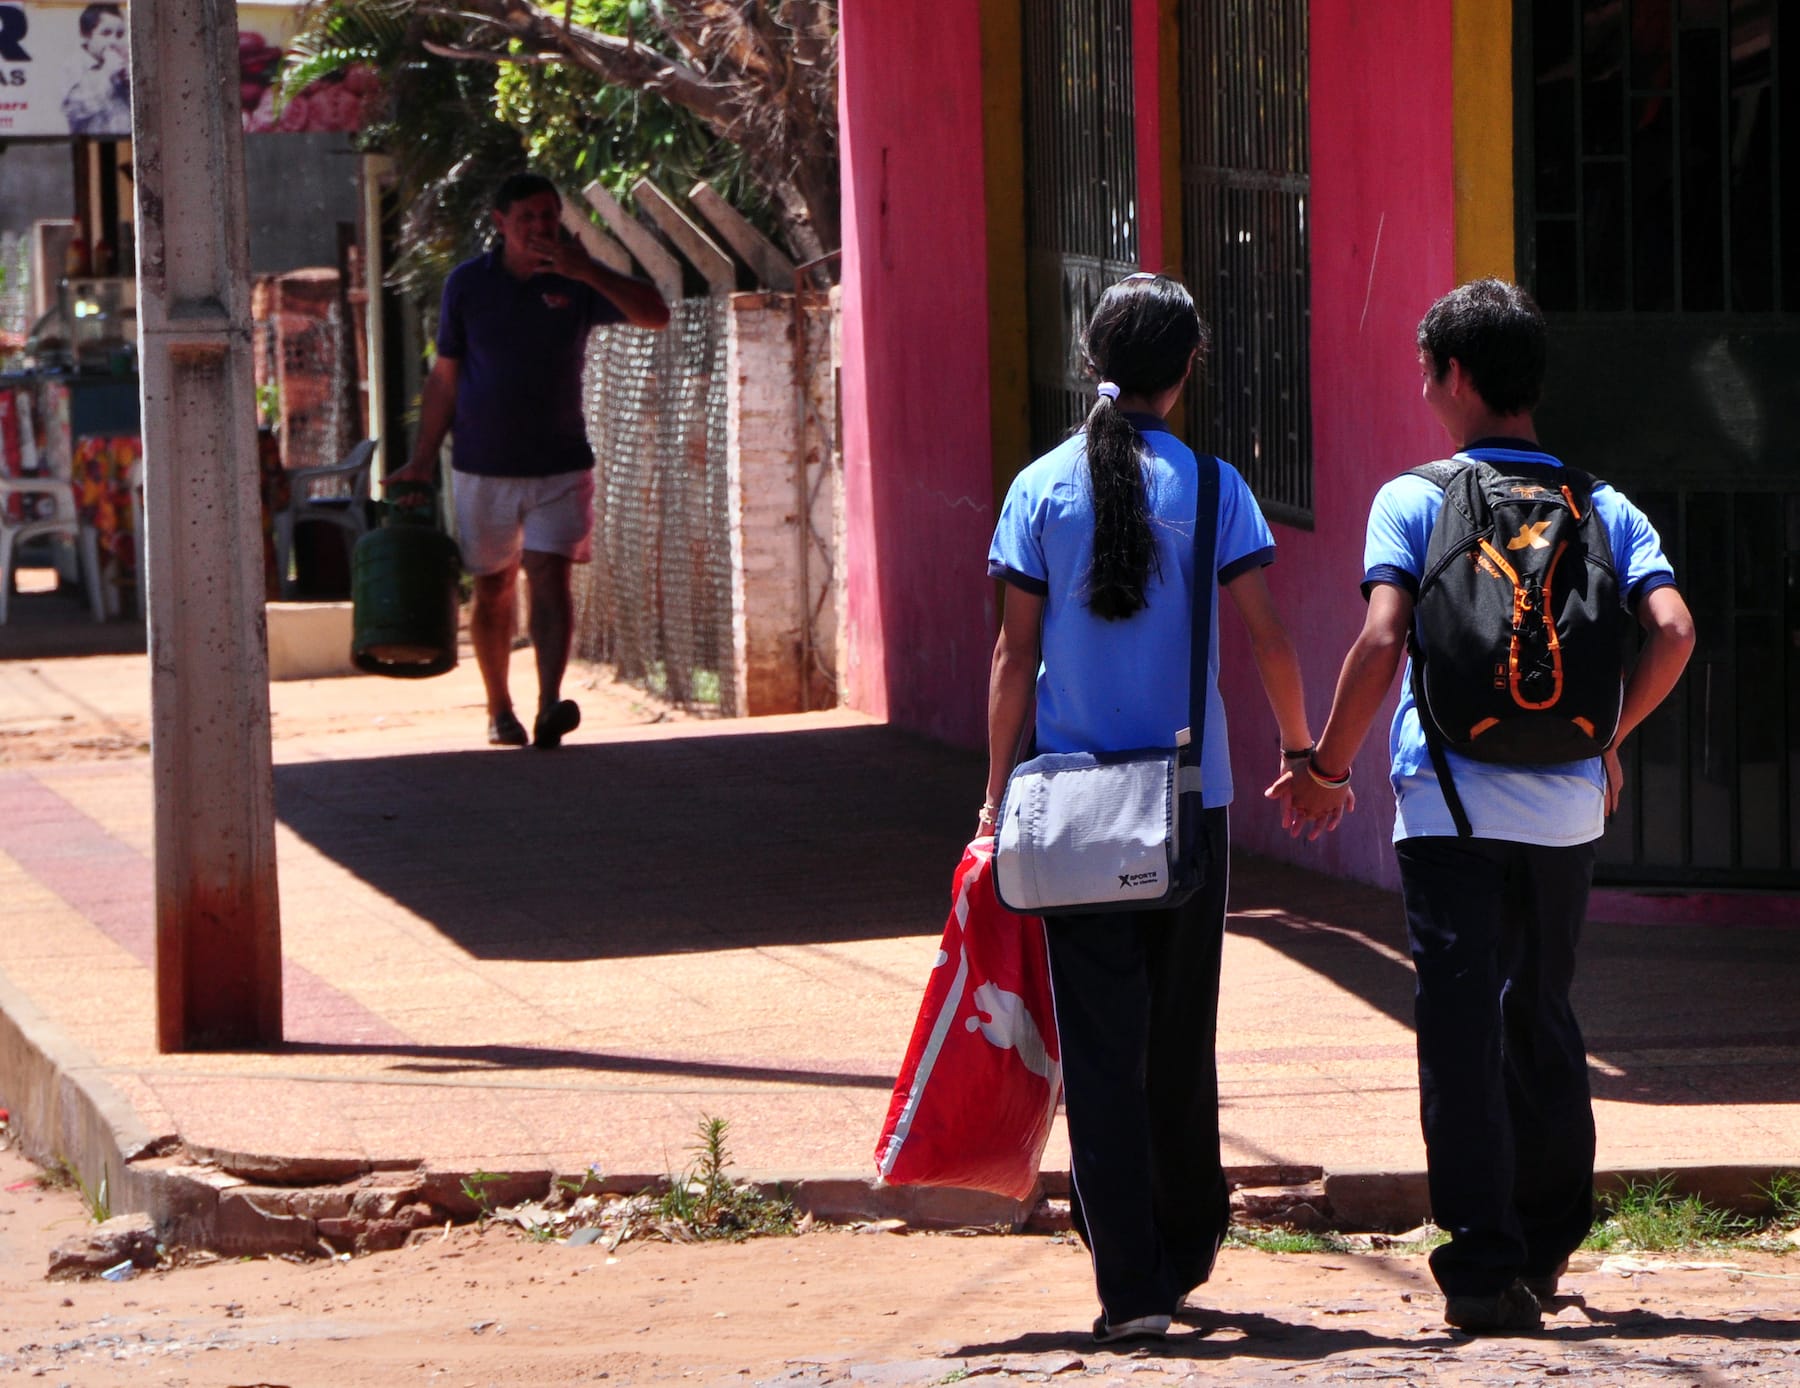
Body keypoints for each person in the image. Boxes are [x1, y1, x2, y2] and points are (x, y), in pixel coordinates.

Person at [1274, 279, 1695, 1333]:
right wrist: (1606, 737)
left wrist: (1326, 768)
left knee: (1460, 1030)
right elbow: (1677, 630)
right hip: (1565, 815)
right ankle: (1547, 1244)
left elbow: (1381, 641)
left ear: (1455, 376)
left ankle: (1480, 1268)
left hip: (1448, 806)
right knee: (1543, 1015)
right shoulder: (1607, 503)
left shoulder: (1415, 497)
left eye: (1428, 372)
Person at [984, 273, 1325, 1344]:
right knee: (1181, 1035)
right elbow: (1268, 636)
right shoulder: (1217, 488)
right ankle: (1185, 1244)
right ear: (1187, 370)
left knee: (1100, 1042)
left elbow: (1012, 654)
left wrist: (996, 801)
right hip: (1191, 806)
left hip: (1074, 812)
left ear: (1095, 360)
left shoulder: (1039, 488)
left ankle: (1126, 1282)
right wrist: (1305, 749)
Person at [388, 173, 669, 748]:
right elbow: (445, 377)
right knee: (492, 586)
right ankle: (499, 709)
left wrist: (587, 270)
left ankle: (547, 707)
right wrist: (419, 461)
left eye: (549, 216)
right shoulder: (467, 285)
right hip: (481, 465)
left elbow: (655, 316)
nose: (542, 227)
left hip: (562, 463)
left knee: (550, 576)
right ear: (499, 223)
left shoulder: (576, 279)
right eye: (528, 218)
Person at [63, 4, 131, 137]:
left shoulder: (120, 63)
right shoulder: (73, 66)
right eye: (106, 33)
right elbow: (76, 111)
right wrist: (106, 74)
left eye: (119, 35)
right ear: (86, 34)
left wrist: (129, 81)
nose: (113, 41)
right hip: (92, 145)